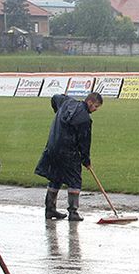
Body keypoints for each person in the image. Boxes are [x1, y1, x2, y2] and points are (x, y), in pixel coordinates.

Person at [34, 92, 103, 221]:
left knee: (55, 177)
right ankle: (73, 212)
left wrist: (57, 111)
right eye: (96, 106)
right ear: (90, 102)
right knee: (75, 180)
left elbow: (54, 98)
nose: (96, 109)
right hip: (68, 152)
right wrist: (86, 160)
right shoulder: (85, 119)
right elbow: (84, 142)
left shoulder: (66, 102)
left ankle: (50, 209)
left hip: (53, 146)